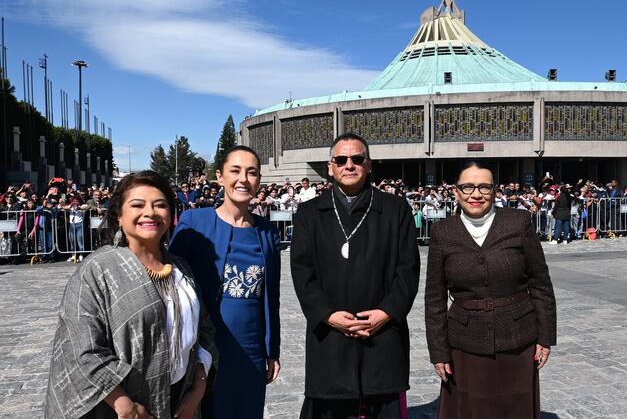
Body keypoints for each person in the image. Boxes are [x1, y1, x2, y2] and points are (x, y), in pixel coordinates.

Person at [45, 171, 216, 419]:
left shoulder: (182, 268)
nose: (150, 212)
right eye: (137, 205)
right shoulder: (97, 269)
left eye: (160, 205)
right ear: (119, 214)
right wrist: (125, 406)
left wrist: (197, 390)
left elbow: (205, 331)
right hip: (118, 406)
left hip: (180, 401)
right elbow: (80, 346)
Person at [291, 132, 420, 419]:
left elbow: (408, 269)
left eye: (357, 159)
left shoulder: (395, 209)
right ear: (330, 167)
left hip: (382, 334)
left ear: (369, 165)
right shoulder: (309, 213)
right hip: (330, 335)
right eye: (341, 159)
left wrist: (387, 312)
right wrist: (327, 315)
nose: (349, 165)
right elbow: (302, 272)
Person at [425, 159, 557, 419]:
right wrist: (438, 352)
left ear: (495, 190)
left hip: (518, 339)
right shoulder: (443, 232)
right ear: (455, 191)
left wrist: (545, 336)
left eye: (484, 187)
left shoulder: (518, 222)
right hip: (464, 344)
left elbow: (540, 283)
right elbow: (434, 298)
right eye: (468, 187)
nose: (476, 194)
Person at [170, 145, 281, 419]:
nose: (243, 179)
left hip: (251, 350)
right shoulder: (195, 222)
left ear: (259, 180)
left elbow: (272, 295)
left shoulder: (267, 232)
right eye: (235, 171)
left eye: (252, 173)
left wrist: (272, 349)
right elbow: (173, 284)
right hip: (207, 349)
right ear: (220, 177)